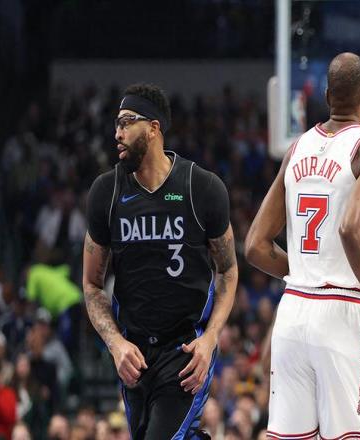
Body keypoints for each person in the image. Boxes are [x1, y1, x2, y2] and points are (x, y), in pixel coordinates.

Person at [245, 52, 360, 439]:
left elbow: (255, 246)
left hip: (293, 309)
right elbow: (351, 228)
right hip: (340, 308)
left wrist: (304, 268)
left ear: (328, 95)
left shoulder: (296, 149)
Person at [83, 83, 238, 439]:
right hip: (134, 351)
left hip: (185, 348)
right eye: (116, 124)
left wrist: (211, 338)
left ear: (153, 128)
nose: (117, 133)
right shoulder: (106, 192)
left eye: (127, 122)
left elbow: (228, 269)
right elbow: (91, 284)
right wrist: (116, 344)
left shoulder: (201, 187)